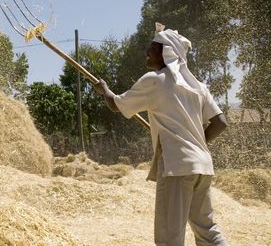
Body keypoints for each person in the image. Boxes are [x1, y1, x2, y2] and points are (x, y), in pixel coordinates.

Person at [94, 23, 229, 246]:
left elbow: (116, 104)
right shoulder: (198, 87)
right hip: (202, 166)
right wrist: (194, 143)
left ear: (166, 53)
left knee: (169, 239)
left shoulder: (154, 80)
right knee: (207, 231)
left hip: (177, 167)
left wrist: (104, 89)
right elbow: (220, 123)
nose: (147, 52)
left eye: (152, 48)